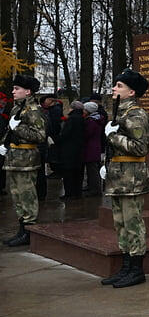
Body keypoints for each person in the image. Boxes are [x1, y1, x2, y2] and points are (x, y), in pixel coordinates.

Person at [99, 69, 149, 288]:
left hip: (132, 178)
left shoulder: (137, 116)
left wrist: (114, 136)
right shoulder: (121, 114)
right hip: (119, 176)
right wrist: (106, 166)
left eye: (119, 86)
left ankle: (136, 270)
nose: (114, 88)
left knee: (133, 223)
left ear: (131, 92)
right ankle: (126, 267)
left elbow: (140, 148)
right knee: (120, 223)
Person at [1, 74, 47, 247]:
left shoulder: (33, 110)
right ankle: (22, 229)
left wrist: (18, 128)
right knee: (17, 196)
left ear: (27, 92)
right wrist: (5, 143)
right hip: (15, 158)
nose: (13, 92)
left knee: (27, 196)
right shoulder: (17, 108)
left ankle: (28, 231)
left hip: (26, 160)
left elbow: (40, 135)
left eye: (17, 89)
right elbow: (11, 131)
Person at [57, 101, 86, 199]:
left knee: (68, 173)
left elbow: (65, 134)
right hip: (79, 149)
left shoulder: (71, 119)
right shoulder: (82, 119)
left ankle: (69, 193)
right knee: (78, 172)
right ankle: (77, 193)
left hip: (69, 149)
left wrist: (58, 140)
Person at [82, 101, 105, 196]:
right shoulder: (97, 119)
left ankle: (95, 189)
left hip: (91, 148)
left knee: (92, 170)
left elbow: (87, 134)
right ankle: (91, 186)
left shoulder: (91, 121)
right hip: (95, 147)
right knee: (92, 168)